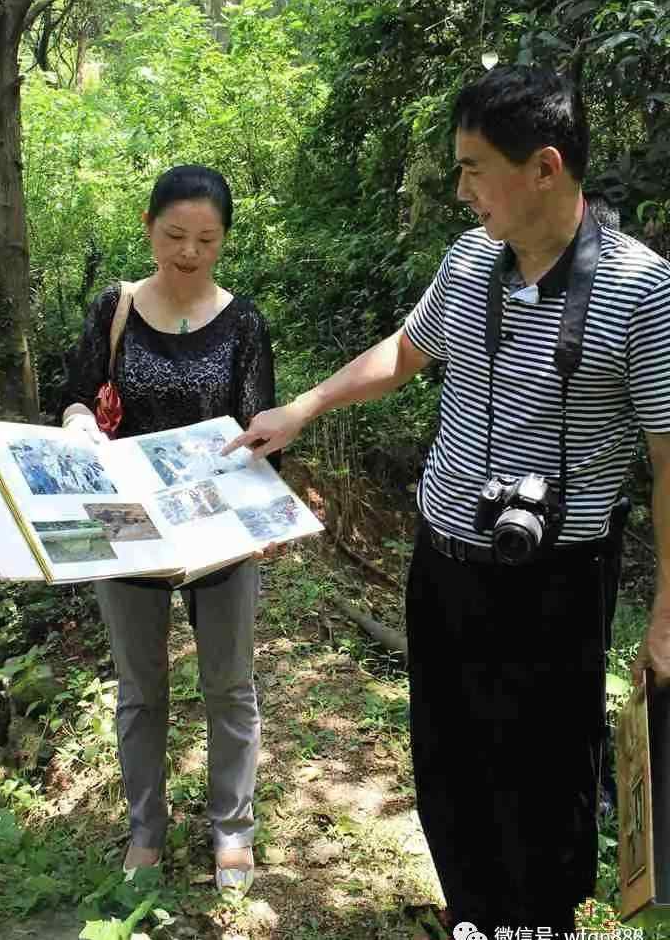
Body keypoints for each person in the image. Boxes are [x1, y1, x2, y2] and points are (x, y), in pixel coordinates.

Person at [223, 67, 670, 932]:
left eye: (473, 168)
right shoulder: (471, 261)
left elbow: (667, 452)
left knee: (546, 773)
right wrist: (304, 406)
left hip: (561, 578)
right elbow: (406, 351)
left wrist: (665, 614)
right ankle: (474, 912)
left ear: (544, 167)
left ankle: (536, 923)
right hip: (446, 560)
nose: (462, 189)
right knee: (450, 755)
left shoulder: (642, 290)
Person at [60, 164, 279, 893]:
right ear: (150, 227)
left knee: (229, 684)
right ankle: (145, 831)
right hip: (126, 525)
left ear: (224, 241)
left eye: (206, 239)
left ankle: (233, 832)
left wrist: (262, 496)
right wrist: (80, 422)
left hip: (216, 529)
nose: (188, 252)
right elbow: (74, 396)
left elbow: (260, 428)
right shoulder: (114, 308)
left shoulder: (243, 322)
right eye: (174, 234)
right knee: (140, 689)